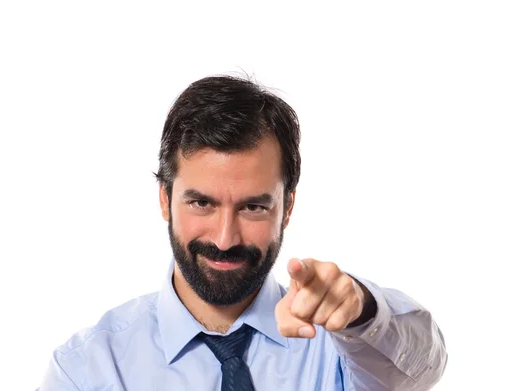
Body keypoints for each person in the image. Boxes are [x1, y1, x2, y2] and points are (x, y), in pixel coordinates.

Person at [38, 75, 448, 390]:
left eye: (253, 206)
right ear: (164, 198)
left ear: (287, 207)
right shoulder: (88, 370)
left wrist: (360, 311)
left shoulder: (341, 350)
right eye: (202, 203)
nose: (224, 238)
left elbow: (422, 367)